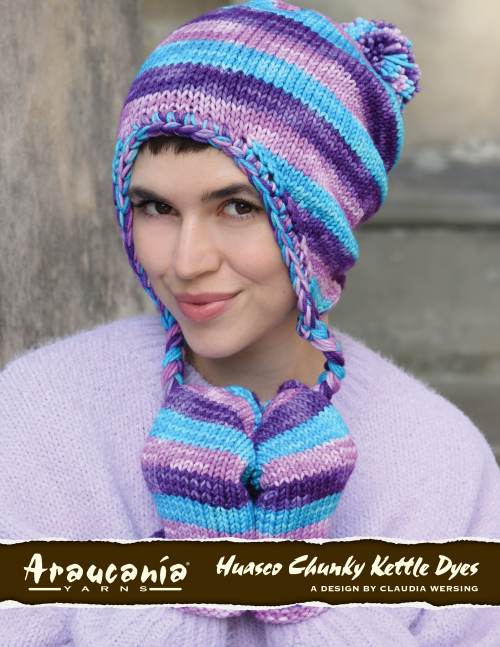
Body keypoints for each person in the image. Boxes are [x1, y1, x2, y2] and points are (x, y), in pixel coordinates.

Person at [1, 0, 499, 644]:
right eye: (155, 207)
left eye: (237, 207)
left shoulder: (439, 460)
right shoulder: (39, 413)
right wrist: (189, 581)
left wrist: (304, 591)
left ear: (322, 230)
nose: (187, 261)